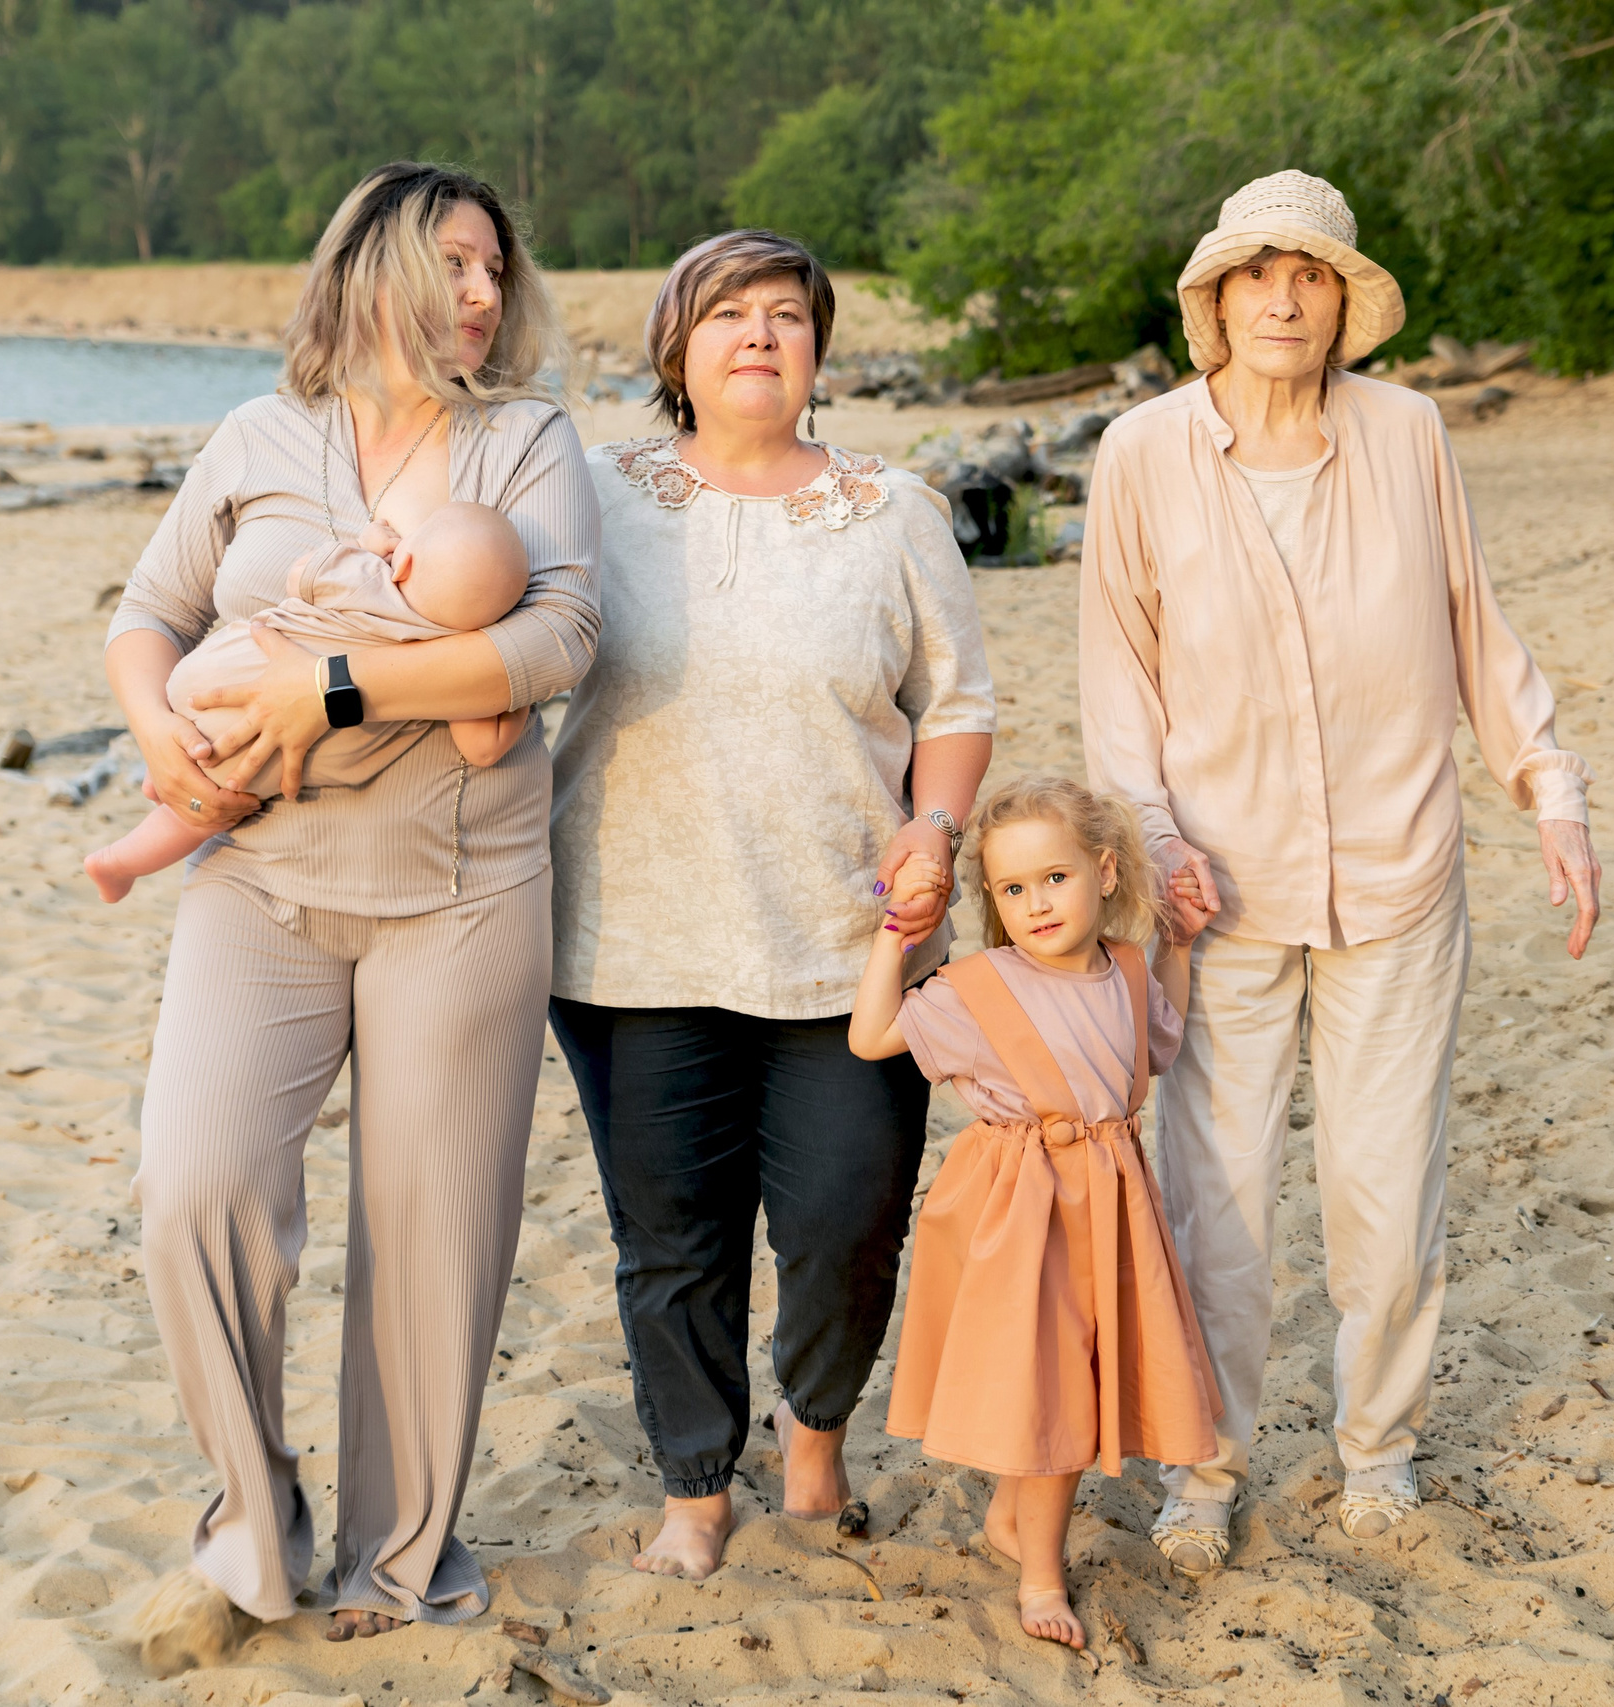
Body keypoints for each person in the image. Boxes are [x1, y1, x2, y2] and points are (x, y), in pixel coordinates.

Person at [104, 161, 600, 1670]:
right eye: (454, 263)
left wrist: (333, 685)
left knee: (430, 1232)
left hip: (461, 888)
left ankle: (404, 1552)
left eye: (496, 271)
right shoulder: (261, 435)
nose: (481, 295)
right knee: (196, 1188)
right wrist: (156, 735)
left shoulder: (524, 440)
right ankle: (254, 1523)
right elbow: (148, 613)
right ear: (373, 268)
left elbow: (559, 636)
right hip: (258, 876)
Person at [1078, 170, 1602, 1571]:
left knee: (1385, 1193)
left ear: (1344, 300)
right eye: (1257, 274)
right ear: (1216, 298)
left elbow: (1474, 629)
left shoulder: (1411, 432)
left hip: (1398, 872)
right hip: (1216, 889)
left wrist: (1551, 789)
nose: (1283, 299)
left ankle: (1380, 1449)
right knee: (1221, 1199)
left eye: (1310, 275)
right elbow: (1117, 678)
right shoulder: (1138, 454)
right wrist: (1157, 840)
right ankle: (1204, 1467)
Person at [546, 229, 995, 1581]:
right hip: (635, 936)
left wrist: (936, 822)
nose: (759, 334)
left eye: (786, 315)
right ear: (675, 348)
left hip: (849, 945)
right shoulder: (589, 495)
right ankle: (694, 1486)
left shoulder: (893, 507)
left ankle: (813, 1446)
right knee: (672, 1235)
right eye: (728, 313)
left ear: (818, 349)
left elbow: (956, 701)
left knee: (849, 1215)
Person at [848, 776, 1220, 1649]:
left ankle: (1014, 1519)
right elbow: (872, 1038)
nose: (1035, 903)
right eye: (1012, 890)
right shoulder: (981, 988)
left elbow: (1158, 1045)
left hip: (1111, 1203)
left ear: (1105, 870)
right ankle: (1042, 1575)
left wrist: (1179, 947)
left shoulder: (1127, 967)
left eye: (1054, 878)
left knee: (1075, 1374)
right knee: (1056, 1385)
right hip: (1021, 1213)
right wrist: (892, 933)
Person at [84, 504, 532, 902]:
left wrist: (369, 544)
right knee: (202, 814)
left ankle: (160, 779)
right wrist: (516, 694)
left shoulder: (369, 579)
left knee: (193, 774)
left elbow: (302, 574)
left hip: (206, 681)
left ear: (406, 561)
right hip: (260, 764)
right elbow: (484, 749)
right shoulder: (456, 659)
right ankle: (119, 862)